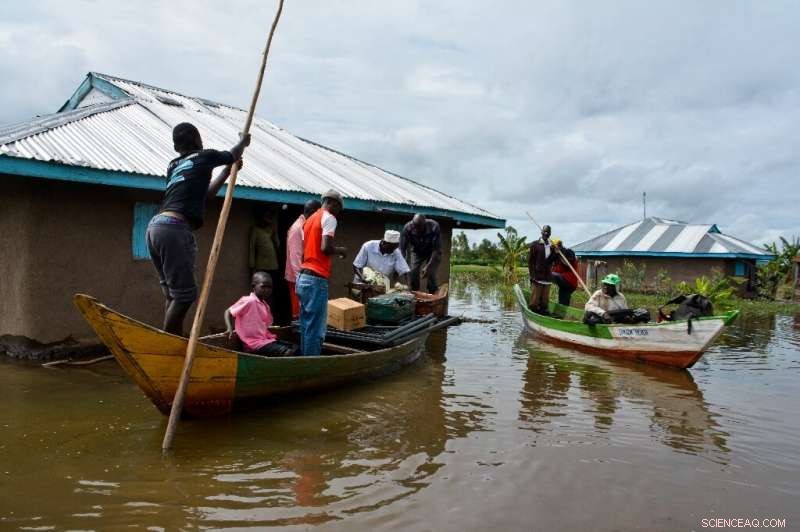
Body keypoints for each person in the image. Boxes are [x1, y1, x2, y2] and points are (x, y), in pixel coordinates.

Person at [146, 122, 250, 335]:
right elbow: (232, 153)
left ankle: (169, 340)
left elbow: (207, 195)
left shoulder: (174, 164)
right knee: (185, 296)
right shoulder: (205, 156)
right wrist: (243, 141)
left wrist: (228, 172)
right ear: (196, 140)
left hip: (155, 228)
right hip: (174, 229)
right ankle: (170, 344)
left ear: (176, 147)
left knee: (173, 295)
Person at [295, 190, 347, 356]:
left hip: (302, 277)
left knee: (306, 325)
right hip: (316, 279)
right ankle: (311, 364)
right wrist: (340, 250)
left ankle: (304, 360)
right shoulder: (329, 218)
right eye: (339, 208)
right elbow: (325, 248)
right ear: (333, 203)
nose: (339, 212)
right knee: (316, 329)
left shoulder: (309, 220)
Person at [225, 271, 296, 356]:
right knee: (287, 352)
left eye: (269, 287)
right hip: (253, 344)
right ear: (253, 286)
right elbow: (228, 312)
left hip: (265, 341)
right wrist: (229, 328)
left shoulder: (265, 305)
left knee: (295, 348)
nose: (267, 290)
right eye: (263, 287)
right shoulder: (249, 301)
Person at [285, 200, 322, 319]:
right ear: (312, 212)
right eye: (318, 212)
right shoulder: (297, 229)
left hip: (306, 277)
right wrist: (301, 280)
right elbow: (295, 256)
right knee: (300, 313)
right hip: (298, 279)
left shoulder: (307, 225)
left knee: (307, 312)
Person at [400, 214, 442, 293]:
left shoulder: (434, 226)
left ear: (424, 224)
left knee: (431, 273)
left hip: (432, 252)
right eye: (415, 226)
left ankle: (432, 293)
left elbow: (436, 249)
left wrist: (428, 266)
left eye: (419, 227)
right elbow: (402, 248)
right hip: (417, 251)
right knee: (413, 272)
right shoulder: (407, 228)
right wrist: (401, 264)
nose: (417, 229)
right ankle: (415, 292)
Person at [527, 224, 556, 314]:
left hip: (547, 276)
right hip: (537, 276)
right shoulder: (535, 244)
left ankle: (543, 312)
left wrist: (555, 252)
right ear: (541, 232)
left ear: (550, 234)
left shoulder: (552, 246)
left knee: (544, 300)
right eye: (545, 232)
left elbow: (551, 260)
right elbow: (530, 261)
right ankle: (533, 313)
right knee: (535, 300)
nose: (546, 234)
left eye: (548, 232)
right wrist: (532, 276)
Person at [249, 208, 279, 276]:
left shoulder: (271, 229)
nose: (268, 219)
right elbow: (252, 248)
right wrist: (252, 265)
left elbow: (277, 244)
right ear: (261, 217)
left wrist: (275, 232)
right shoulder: (255, 230)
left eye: (269, 217)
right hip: (261, 265)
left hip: (272, 264)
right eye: (266, 216)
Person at [550, 238, 579, 306]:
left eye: (554, 247)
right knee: (563, 303)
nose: (553, 249)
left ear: (559, 246)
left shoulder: (568, 252)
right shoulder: (555, 255)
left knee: (549, 274)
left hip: (569, 281)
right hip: (564, 285)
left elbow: (567, 263)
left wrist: (560, 253)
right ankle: (560, 315)